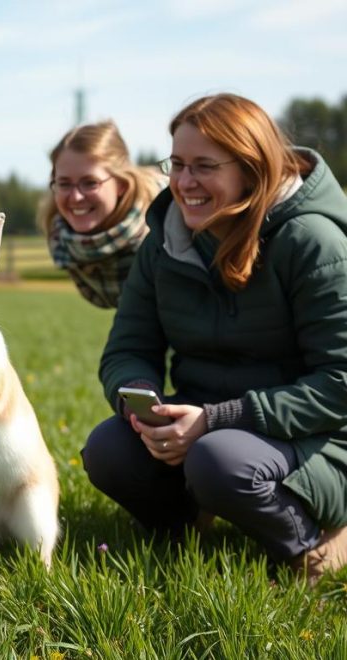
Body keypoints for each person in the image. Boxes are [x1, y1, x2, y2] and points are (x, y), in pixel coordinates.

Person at [82, 93, 347, 584]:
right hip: (206, 425)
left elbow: (340, 384)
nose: (184, 184)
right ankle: (188, 526)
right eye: (177, 165)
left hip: (314, 437)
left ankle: (314, 545)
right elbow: (127, 349)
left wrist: (214, 420)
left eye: (203, 166)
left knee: (217, 459)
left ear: (250, 168)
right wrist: (145, 409)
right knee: (108, 450)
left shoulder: (313, 242)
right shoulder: (164, 241)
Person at [38, 120, 165, 308]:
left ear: (121, 184)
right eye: (64, 183)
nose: (76, 196)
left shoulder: (164, 230)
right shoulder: (63, 240)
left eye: (90, 182)